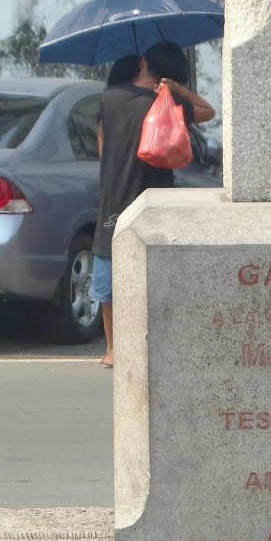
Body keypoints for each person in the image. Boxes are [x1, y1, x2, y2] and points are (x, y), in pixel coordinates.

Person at [90, 42, 215, 368]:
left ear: (144, 61)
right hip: (155, 201)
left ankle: (113, 349)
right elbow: (208, 111)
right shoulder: (168, 103)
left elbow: (102, 141)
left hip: (115, 197)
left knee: (108, 282)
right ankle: (156, 343)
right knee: (152, 278)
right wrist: (176, 91)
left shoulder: (111, 98)